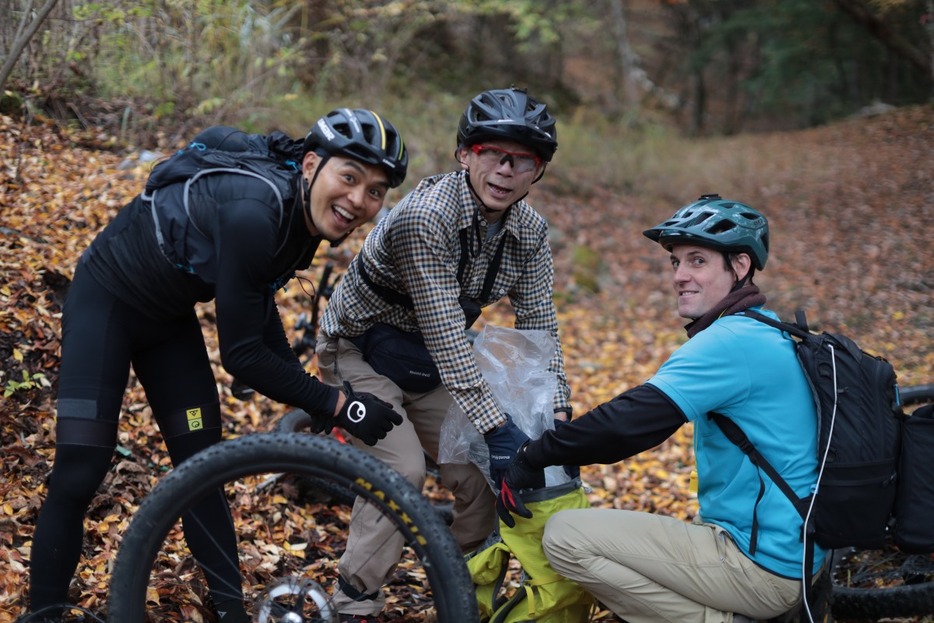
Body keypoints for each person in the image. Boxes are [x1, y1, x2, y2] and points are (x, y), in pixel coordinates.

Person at [23, 109, 408, 623]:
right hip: (106, 302)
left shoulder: (306, 214)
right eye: (350, 177)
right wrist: (340, 405)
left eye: (376, 191)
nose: (358, 200)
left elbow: (260, 301)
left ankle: (231, 615)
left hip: (167, 319)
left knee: (203, 470)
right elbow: (243, 358)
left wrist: (313, 397)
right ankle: (44, 612)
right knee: (81, 467)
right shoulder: (256, 212)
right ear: (312, 163)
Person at [498, 195, 826, 623]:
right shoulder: (768, 327)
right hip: (798, 553)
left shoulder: (730, 342)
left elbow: (632, 422)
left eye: (697, 261)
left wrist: (534, 454)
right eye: (675, 262)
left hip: (763, 566)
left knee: (564, 538)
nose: (680, 276)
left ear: (740, 266)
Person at [315, 86, 573, 622]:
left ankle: (458, 590)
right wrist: (500, 429)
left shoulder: (529, 232)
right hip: (360, 347)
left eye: (522, 158)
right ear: (464, 155)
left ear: (538, 170)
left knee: (482, 476)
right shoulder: (426, 216)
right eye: (490, 153)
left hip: (428, 367)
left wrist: (556, 412)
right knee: (403, 468)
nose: (504, 169)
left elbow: (539, 328)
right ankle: (353, 603)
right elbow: (446, 332)